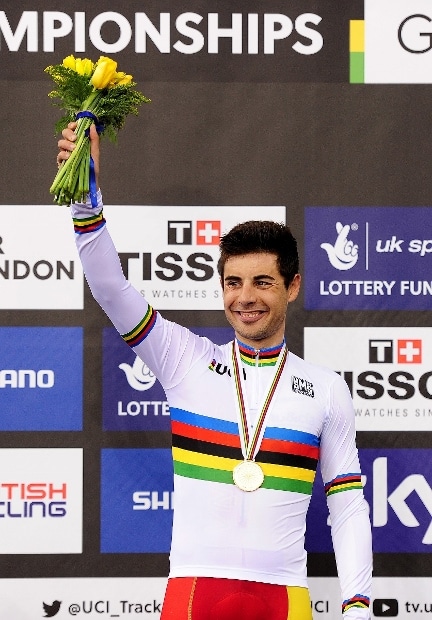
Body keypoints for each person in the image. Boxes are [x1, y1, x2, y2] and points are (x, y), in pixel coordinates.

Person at [57, 123, 372, 620]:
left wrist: (357, 606)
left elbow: (348, 505)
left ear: (292, 286)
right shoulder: (184, 359)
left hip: (285, 598)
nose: (245, 298)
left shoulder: (326, 390)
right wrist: (84, 203)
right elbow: (111, 289)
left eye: (262, 282)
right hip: (193, 595)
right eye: (233, 282)